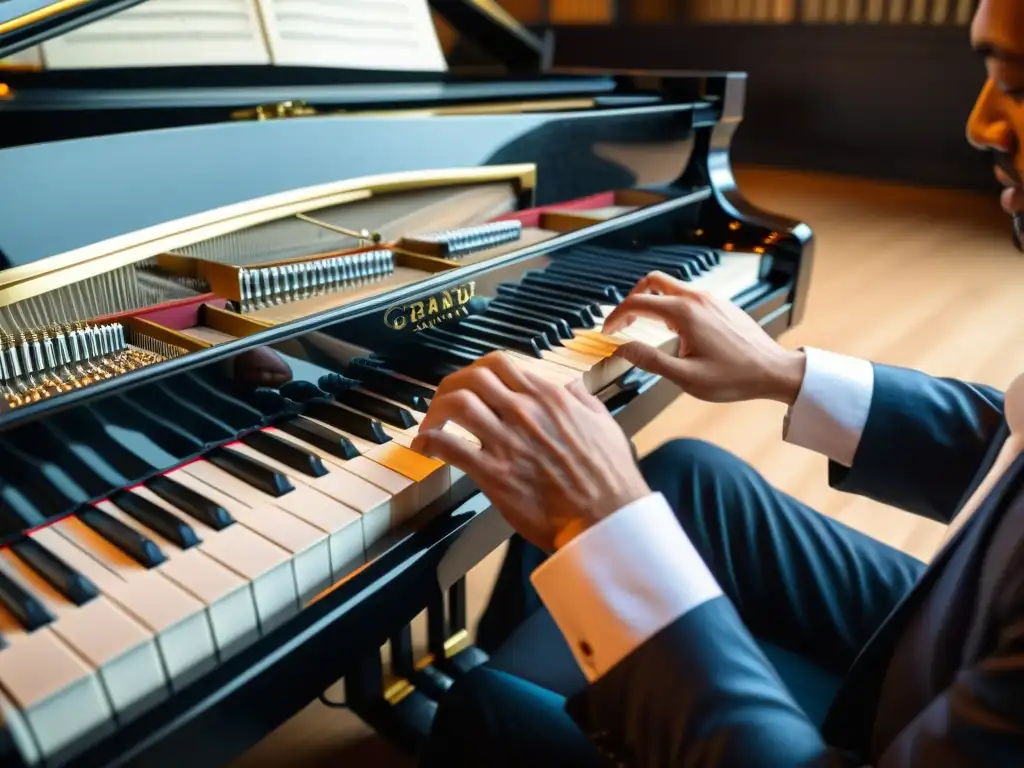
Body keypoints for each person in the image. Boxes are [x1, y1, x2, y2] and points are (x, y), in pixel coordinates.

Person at [411, 1, 1024, 765]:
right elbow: (1012, 447)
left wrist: (608, 527)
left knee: (486, 709)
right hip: (958, 642)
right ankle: (547, 661)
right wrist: (788, 375)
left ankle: (505, 704)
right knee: (685, 479)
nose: (979, 122)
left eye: (1018, 84)